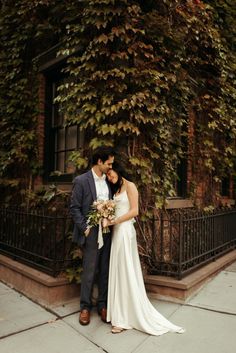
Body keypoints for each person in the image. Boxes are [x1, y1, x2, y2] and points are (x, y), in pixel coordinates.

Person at [105, 162, 185, 335]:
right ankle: (118, 312)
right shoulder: (116, 190)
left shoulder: (131, 186)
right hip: (117, 233)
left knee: (126, 270)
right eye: (108, 177)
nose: (109, 179)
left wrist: (114, 221)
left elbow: (135, 211)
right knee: (118, 270)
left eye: (111, 175)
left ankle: (125, 318)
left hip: (125, 231)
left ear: (118, 171)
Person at [70, 147, 115, 326]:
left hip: (107, 230)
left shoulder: (109, 181)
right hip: (91, 232)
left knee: (105, 269)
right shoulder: (81, 181)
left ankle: (102, 305)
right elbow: (74, 208)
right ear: (99, 162)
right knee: (89, 270)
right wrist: (86, 228)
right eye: (109, 163)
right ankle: (85, 307)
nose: (111, 167)